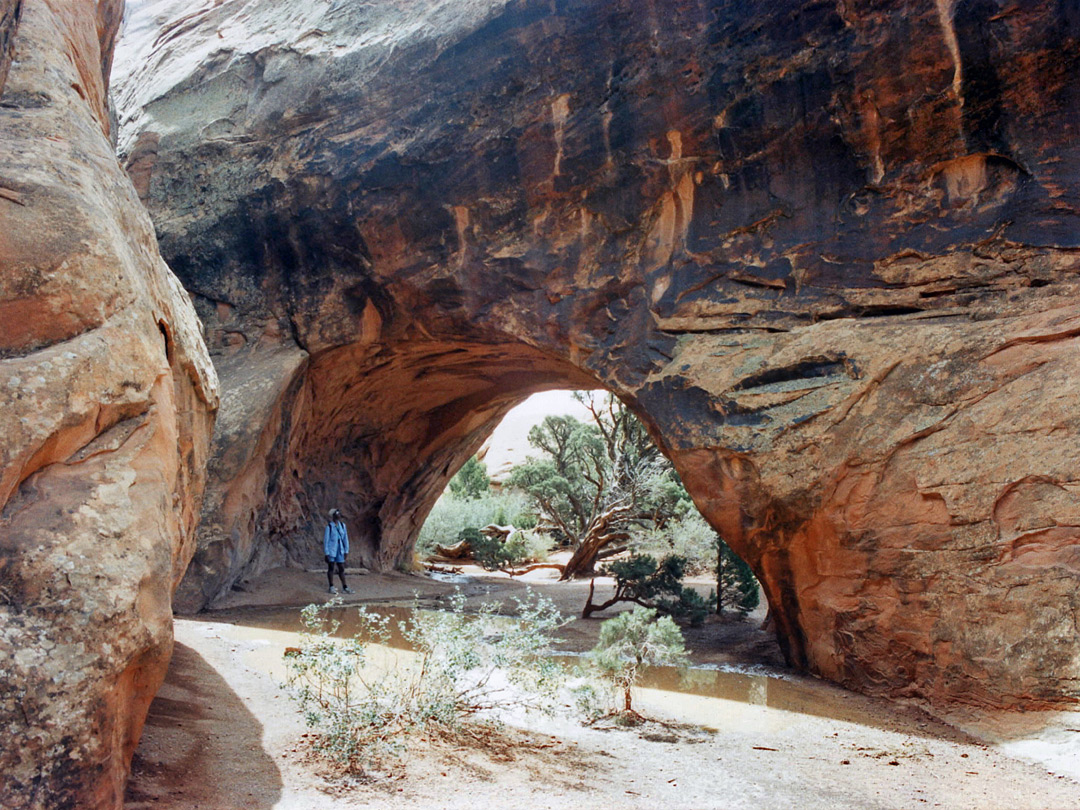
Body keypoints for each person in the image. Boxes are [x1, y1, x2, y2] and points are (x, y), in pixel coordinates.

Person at [323, 508, 353, 594]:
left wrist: (346, 550)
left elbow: (345, 539)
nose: (338, 515)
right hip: (332, 549)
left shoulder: (343, 526)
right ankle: (331, 586)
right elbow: (326, 540)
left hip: (340, 549)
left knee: (341, 568)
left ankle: (345, 586)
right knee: (331, 567)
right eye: (337, 514)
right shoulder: (329, 527)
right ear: (333, 516)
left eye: (339, 514)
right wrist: (326, 553)